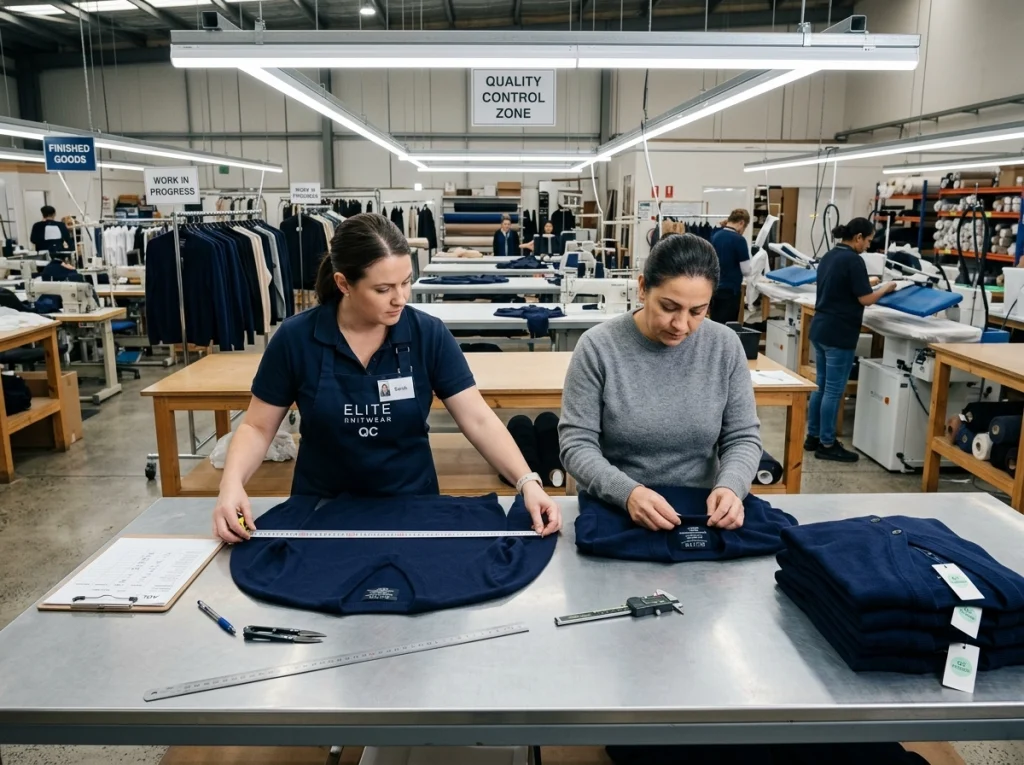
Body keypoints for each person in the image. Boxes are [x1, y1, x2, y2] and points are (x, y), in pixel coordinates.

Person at [213, 213, 561, 543]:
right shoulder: (296, 339)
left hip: (413, 511)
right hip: (321, 513)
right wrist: (231, 485)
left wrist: (527, 481)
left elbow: (479, 419)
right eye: (383, 289)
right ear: (343, 283)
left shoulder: (428, 335)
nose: (401, 298)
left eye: (406, 282)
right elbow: (257, 427)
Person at [558, 233, 762, 532]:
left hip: (701, 511)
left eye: (697, 312)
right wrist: (628, 493)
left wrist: (731, 487)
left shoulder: (724, 346)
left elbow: (742, 436)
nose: (681, 325)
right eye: (668, 307)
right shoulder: (598, 348)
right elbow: (576, 444)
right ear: (642, 288)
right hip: (617, 510)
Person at [805, 217, 899, 463]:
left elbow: (841, 286)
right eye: (867, 240)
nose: (868, 245)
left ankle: (812, 436)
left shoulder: (830, 255)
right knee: (834, 391)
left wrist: (869, 285)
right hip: (839, 332)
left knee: (821, 386)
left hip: (821, 328)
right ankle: (827, 443)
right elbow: (865, 300)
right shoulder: (854, 260)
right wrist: (885, 289)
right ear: (858, 237)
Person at [708, 209, 751, 324]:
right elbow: (746, 270)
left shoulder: (716, 236)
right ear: (741, 223)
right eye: (745, 227)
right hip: (730, 291)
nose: (743, 231)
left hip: (715, 289)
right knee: (728, 327)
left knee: (715, 324)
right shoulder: (739, 240)